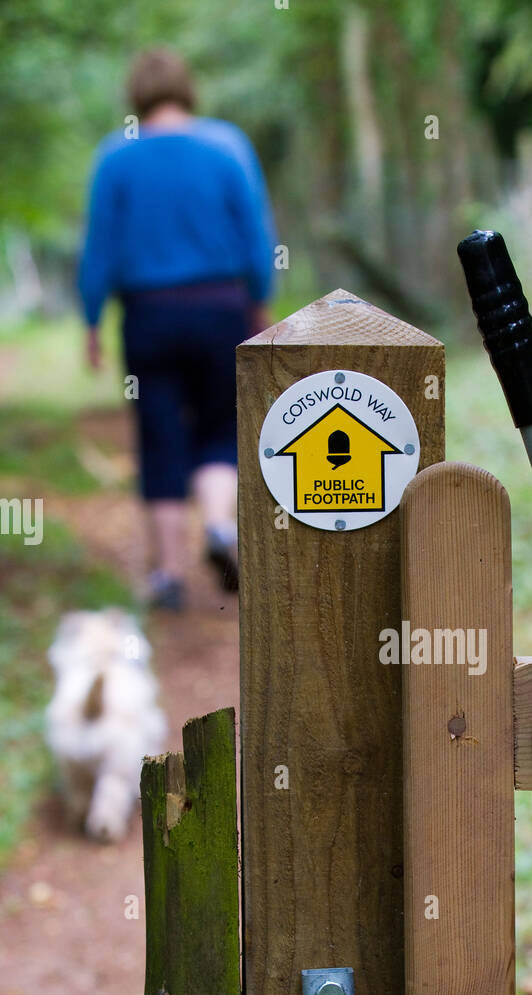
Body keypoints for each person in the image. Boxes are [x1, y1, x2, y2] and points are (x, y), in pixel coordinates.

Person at [78, 48, 275, 609]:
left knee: (160, 431)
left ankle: (167, 575)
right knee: (221, 425)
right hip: (221, 306)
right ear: (188, 89)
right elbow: (257, 235)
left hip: (149, 313)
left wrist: (92, 319)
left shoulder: (116, 156)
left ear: (135, 95)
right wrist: (258, 301)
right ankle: (218, 527)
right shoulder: (227, 145)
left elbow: (100, 252)